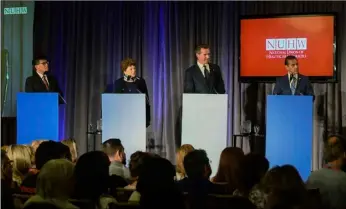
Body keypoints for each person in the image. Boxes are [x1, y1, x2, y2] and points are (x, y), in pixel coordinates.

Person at [104, 58, 151, 127]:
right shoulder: (118, 83)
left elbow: (146, 100)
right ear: (124, 71)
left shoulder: (141, 81)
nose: (134, 70)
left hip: (138, 118)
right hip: (123, 119)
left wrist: (147, 119)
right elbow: (115, 102)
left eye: (134, 68)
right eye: (131, 69)